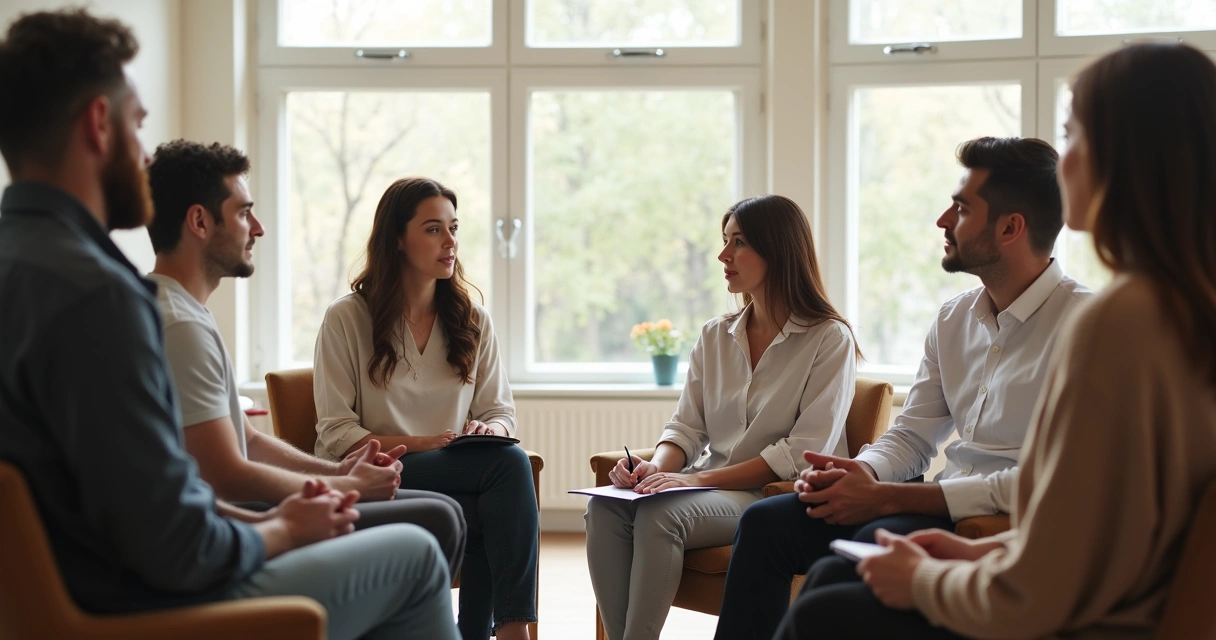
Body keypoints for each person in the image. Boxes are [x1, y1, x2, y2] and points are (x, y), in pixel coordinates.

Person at [0, 10, 459, 640]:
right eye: (137, 125)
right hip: (143, 606)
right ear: (98, 125)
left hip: (80, 587)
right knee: (417, 554)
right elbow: (175, 542)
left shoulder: (24, 266)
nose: (143, 153)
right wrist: (282, 529)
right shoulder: (100, 299)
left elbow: (139, 499)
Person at [776, 41, 1216, 640]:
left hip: (1083, 621)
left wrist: (924, 579)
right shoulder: (1181, 309)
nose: (1062, 165)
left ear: (1129, 159)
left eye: (1073, 135)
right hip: (1091, 594)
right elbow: (1103, 533)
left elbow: (1038, 594)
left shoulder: (1114, 323)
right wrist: (977, 554)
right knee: (830, 580)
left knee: (824, 611)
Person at [714, 136, 1093, 640]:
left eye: (960, 208)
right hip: (936, 499)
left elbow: (1051, 485)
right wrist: (860, 471)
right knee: (766, 524)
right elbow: (914, 435)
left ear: (1010, 227)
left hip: (994, 519)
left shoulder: (1085, 327)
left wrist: (887, 498)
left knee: (857, 554)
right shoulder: (953, 318)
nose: (942, 220)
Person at [145, 139, 467, 575]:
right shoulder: (179, 325)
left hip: (236, 509)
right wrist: (336, 485)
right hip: (228, 528)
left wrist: (339, 477)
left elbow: (251, 442)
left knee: (442, 513)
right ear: (199, 222)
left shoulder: (186, 313)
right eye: (243, 213)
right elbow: (225, 474)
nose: (257, 228)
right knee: (439, 518)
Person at [586, 194, 858, 640]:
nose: (723, 255)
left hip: (770, 496)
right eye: (724, 240)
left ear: (778, 250)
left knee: (660, 516)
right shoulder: (715, 335)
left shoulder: (829, 339)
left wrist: (691, 482)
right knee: (605, 508)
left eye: (739, 242)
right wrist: (655, 469)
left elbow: (800, 454)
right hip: (711, 485)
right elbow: (686, 428)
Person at [312, 176, 537, 640]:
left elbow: (500, 411)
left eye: (454, 228)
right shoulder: (347, 318)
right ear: (397, 238)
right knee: (507, 470)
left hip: (461, 473)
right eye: (434, 229)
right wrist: (418, 443)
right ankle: (509, 630)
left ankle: (483, 631)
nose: (450, 242)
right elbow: (336, 433)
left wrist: (488, 431)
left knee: (491, 491)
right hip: (375, 471)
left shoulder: (473, 320)